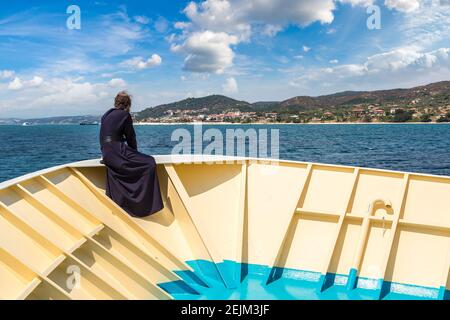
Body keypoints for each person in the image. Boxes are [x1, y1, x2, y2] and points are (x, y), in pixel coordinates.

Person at [99, 91, 163, 217]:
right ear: (128, 104)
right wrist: (135, 153)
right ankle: (142, 205)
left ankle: (123, 203)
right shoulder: (124, 115)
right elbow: (131, 137)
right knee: (149, 162)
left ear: (116, 102)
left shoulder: (106, 115)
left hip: (106, 153)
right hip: (117, 150)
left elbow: (104, 137)